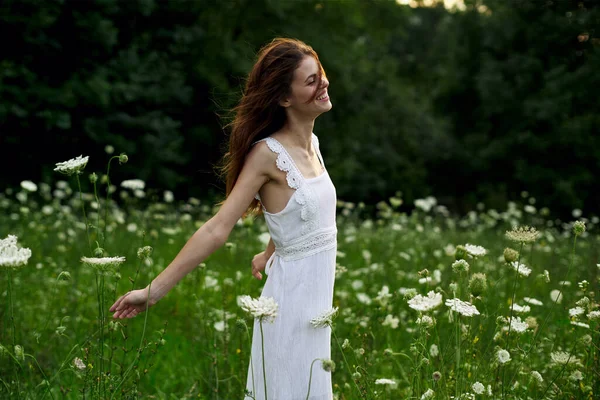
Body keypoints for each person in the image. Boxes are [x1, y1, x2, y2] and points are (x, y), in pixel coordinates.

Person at [109, 37, 337, 400]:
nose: (323, 82)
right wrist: (154, 290)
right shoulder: (267, 154)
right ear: (284, 98)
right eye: (311, 80)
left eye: (320, 74)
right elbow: (217, 229)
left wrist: (269, 250)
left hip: (317, 311)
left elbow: (298, 213)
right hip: (290, 309)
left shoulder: (314, 145)